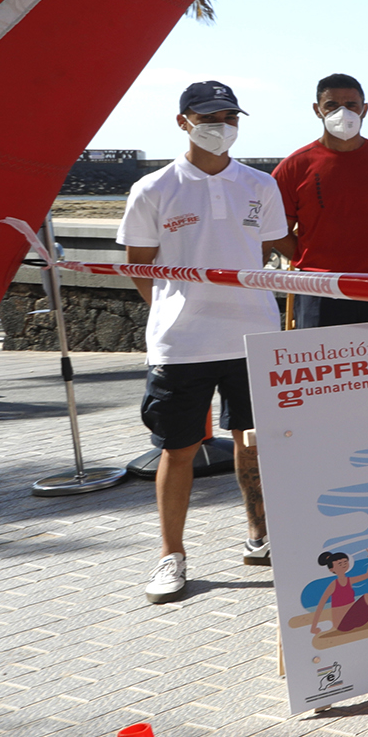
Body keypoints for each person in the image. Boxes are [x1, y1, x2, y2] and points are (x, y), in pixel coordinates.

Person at [120, 80, 289, 603]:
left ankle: (262, 538)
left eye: (230, 117)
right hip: (183, 343)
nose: (221, 126)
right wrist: (169, 311)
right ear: (183, 122)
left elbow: (271, 251)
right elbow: (137, 266)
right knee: (178, 448)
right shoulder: (153, 188)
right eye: (209, 116)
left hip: (253, 334)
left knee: (253, 440)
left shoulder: (259, 185)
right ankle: (172, 557)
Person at [271, 72, 368, 326]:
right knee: (321, 361)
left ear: (364, 109)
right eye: (331, 105)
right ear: (317, 110)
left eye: (351, 105)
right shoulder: (293, 167)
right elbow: (277, 230)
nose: (342, 112)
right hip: (318, 286)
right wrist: (310, 259)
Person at [308, 549, 368, 636]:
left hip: (357, 619)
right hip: (343, 624)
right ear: (331, 569)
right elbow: (321, 605)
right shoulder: (333, 585)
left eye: (345, 562)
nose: (343, 565)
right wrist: (313, 627)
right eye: (340, 564)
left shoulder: (349, 580)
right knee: (367, 597)